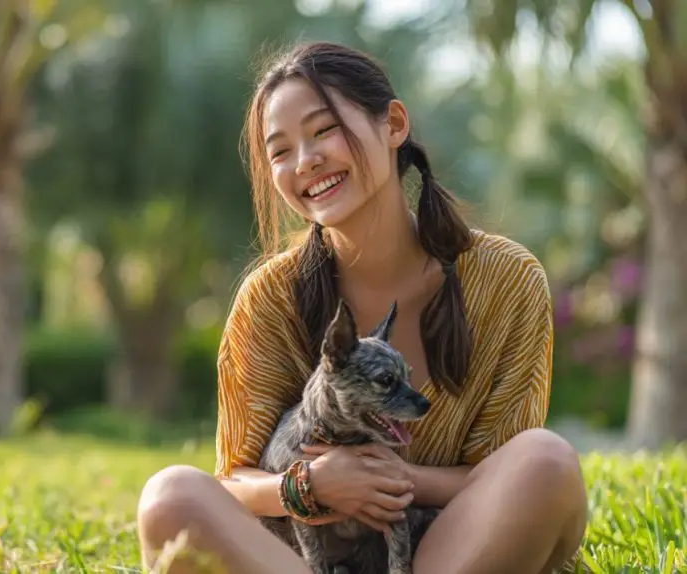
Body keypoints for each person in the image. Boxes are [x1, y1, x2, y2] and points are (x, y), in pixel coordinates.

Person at [134, 41, 589, 574]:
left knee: (546, 461)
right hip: (309, 559)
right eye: (280, 152)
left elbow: (501, 472)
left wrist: (388, 479)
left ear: (393, 125)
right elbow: (233, 480)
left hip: (452, 548)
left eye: (324, 130)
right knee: (170, 498)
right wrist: (309, 485)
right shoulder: (269, 298)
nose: (305, 161)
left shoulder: (506, 279)